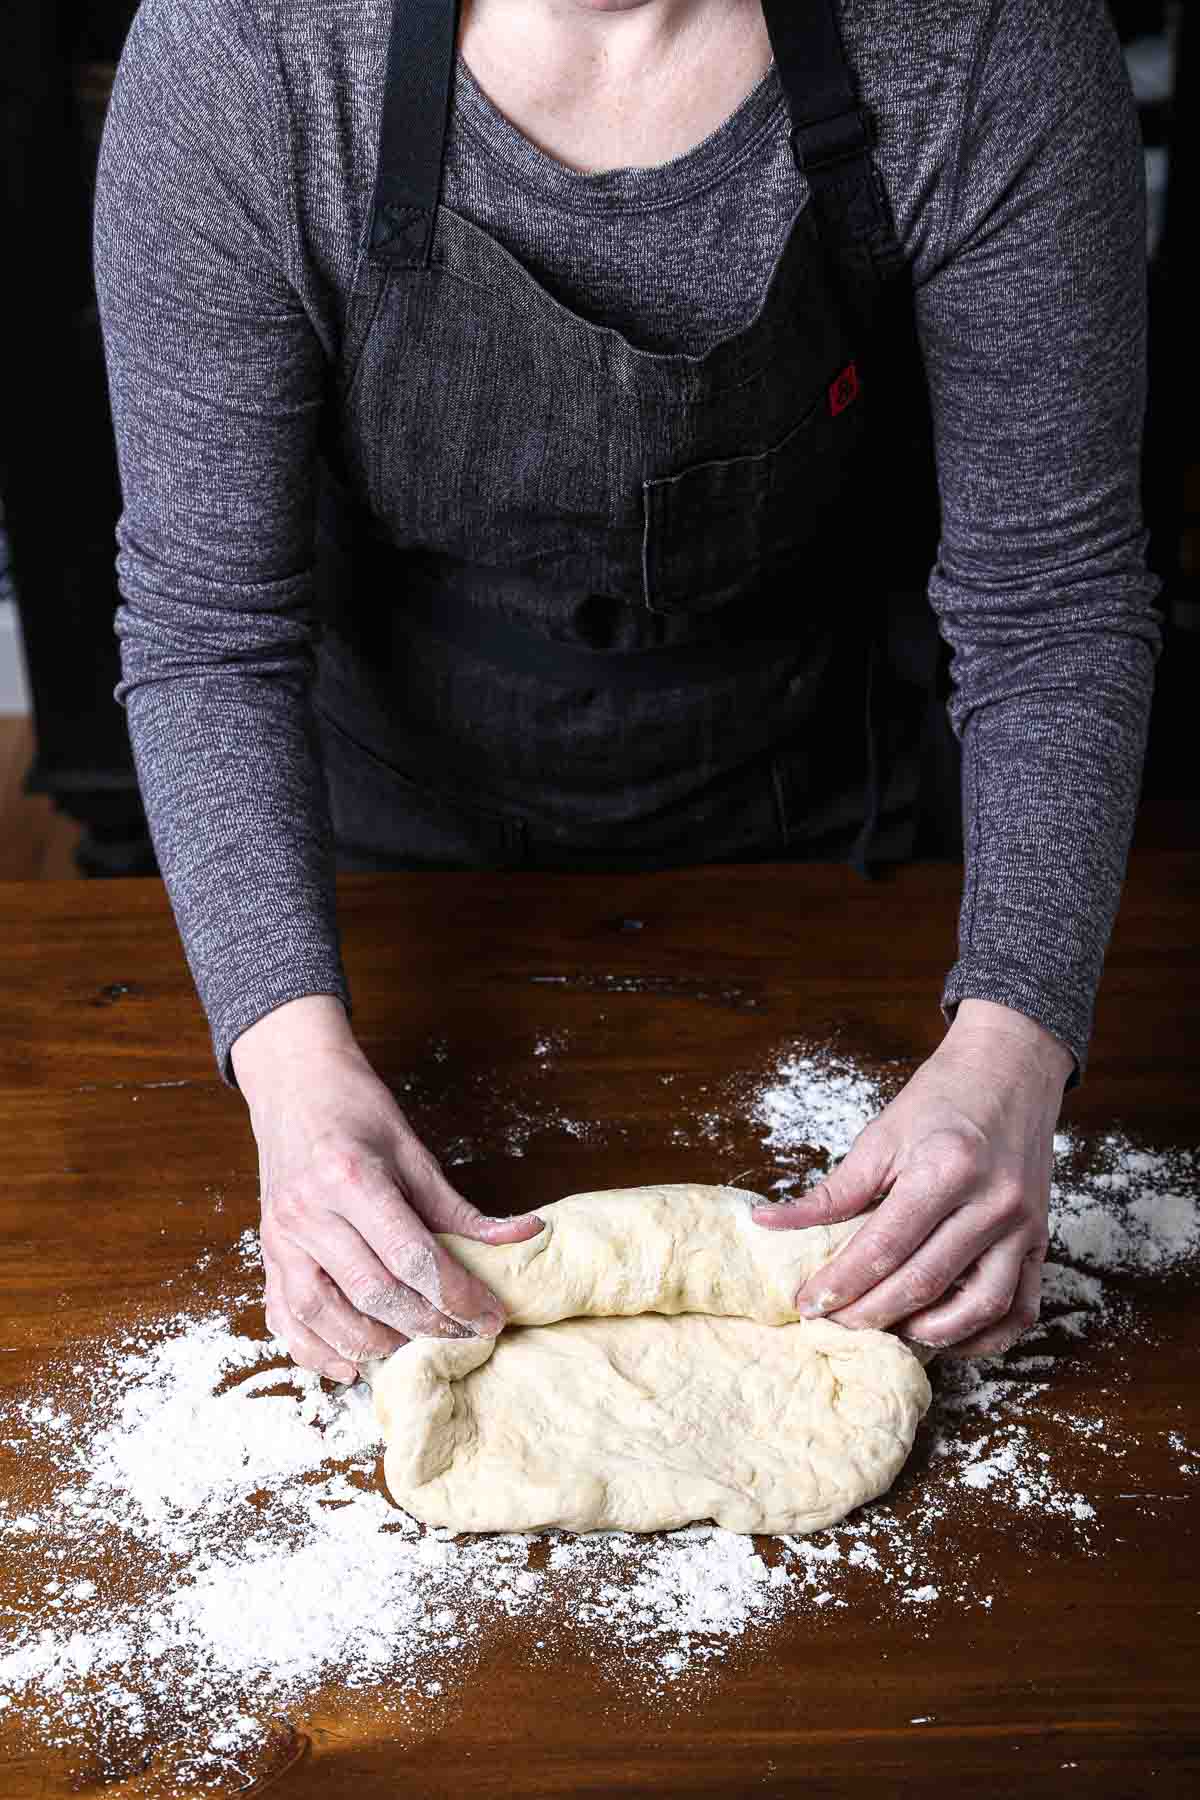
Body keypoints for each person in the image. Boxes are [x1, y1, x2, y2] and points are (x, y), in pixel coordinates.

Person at [93, 0, 1161, 1383]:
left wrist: (1015, 1042)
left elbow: (1055, 602)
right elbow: (209, 625)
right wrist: (294, 1073)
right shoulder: (254, 47)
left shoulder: (982, 37)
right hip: (378, 899)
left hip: (845, 866)